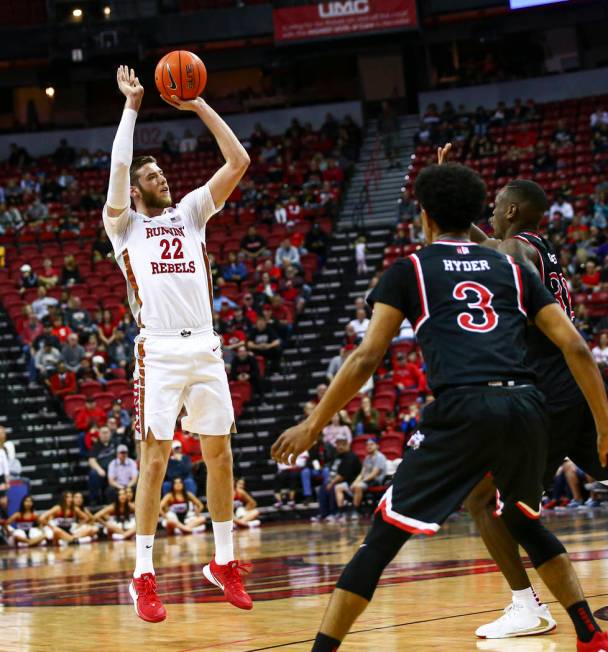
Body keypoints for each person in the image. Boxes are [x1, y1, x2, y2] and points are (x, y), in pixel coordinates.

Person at [272, 162, 608, 652]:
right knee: (516, 515)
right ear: (474, 212)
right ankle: (588, 632)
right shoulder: (510, 268)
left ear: (424, 216)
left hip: (469, 406)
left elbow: (367, 357)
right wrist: (603, 423)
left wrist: (313, 423)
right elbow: (578, 347)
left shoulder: (414, 267)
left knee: (383, 538)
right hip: (530, 402)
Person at [104, 65, 251, 621]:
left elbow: (238, 162)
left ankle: (223, 562)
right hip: (159, 350)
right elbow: (120, 165)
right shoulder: (123, 227)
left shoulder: (191, 212)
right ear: (136, 189)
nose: (161, 177)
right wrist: (133, 107)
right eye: (153, 174)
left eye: (163, 171)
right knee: (156, 459)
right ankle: (143, 575)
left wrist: (199, 105)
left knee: (219, 455)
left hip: (206, 348)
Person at [466, 175, 608, 638]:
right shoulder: (536, 247)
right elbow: (487, 242)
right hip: (573, 389)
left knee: (487, 500)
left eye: (494, 206)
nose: (489, 213)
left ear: (510, 212)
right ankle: (528, 606)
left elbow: (495, 252)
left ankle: (528, 607)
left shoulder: (513, 251)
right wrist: (446, 197)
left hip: (548, 393)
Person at [347, 439, 387, 520]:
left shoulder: (380, 457)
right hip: (367, 480)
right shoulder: (367, 457)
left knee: (358, 486)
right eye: (367, 445)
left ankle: (356, 511)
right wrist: (355, 481)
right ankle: (358, 509)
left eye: (371, 444)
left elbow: (374, 474)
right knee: (352, 485)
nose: (369, 446)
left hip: (376, 481)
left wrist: (360, 482)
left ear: (377, 446)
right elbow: (362, 473)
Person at [88, 426, 118, 504]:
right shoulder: (96, 446)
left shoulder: (115, 443)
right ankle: (94, 499)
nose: (105, 434)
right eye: (103, 433)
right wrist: (99, 469)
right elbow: (91, 460)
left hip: (115, 469)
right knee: (93, 474)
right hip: (102, 471)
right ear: (99, 434)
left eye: (107, 432)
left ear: (110, 433)